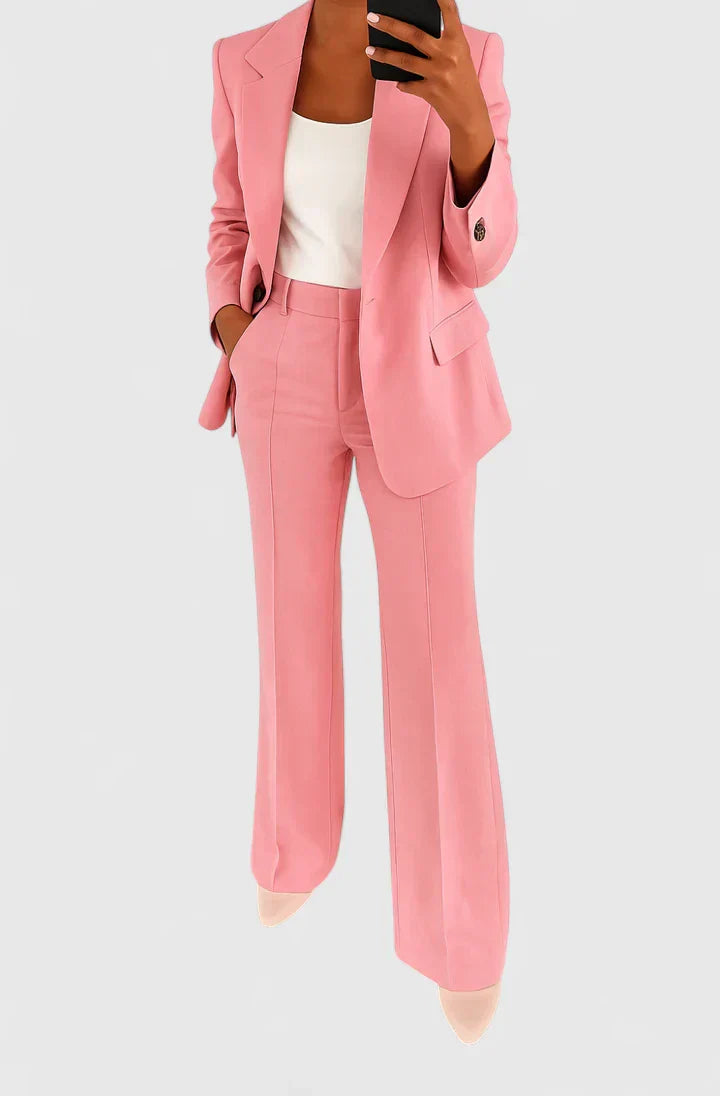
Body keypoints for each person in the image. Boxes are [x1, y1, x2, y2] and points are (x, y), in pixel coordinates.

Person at [200, 0, 517, 1043]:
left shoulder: (467, 54)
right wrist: (236, 327)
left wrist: (467, 124)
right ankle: (291, 844)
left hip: (416, 373)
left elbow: (482, 255)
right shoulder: (244, 58)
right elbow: (230, 220)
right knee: (288, 626)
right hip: (283, 355)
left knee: (438, 657)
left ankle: (458, 931)